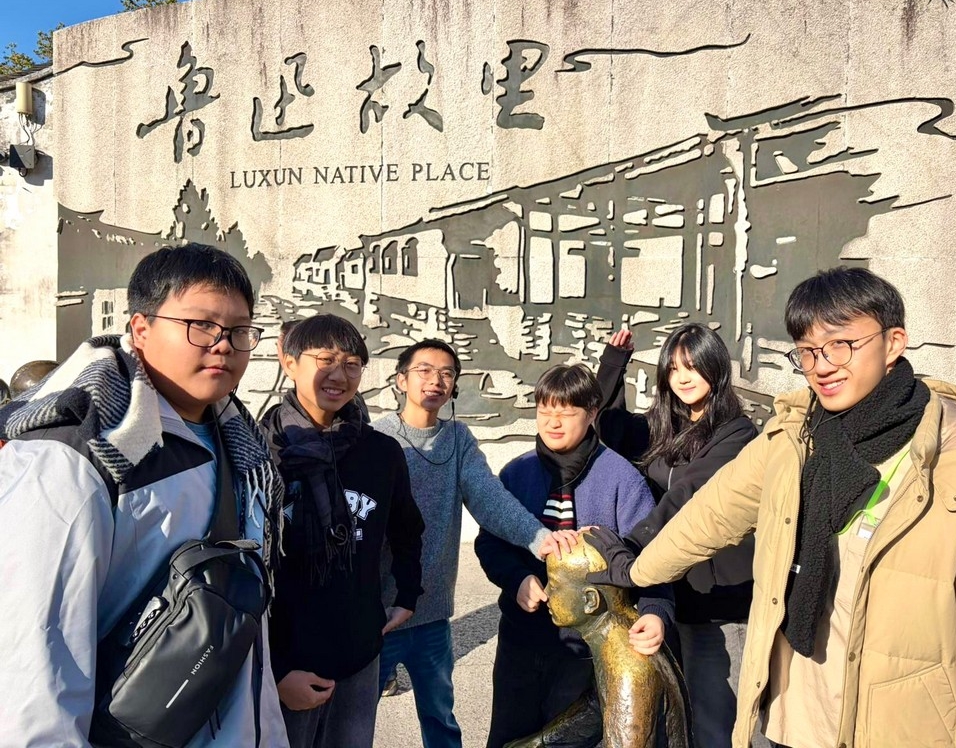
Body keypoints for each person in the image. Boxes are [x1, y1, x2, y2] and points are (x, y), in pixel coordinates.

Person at [586, 266, 956, 748]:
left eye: (841, 345)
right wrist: (635, 568)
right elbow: (710, 513)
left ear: (893, 342)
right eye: (808, 351)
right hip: (797, 717)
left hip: (901, 726)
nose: (822, 365)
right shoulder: (795, 437)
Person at [0, 243, 289, 745]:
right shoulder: (76, 454)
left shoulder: (245, 449)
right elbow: (35, 659)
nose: (223, 345)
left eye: (239, 330)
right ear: (140, 329)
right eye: (201, 325)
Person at [372, 338, 572, 748]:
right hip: (377, 612)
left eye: (447, 374)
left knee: (440, 718)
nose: (436, 380)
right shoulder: (376, 439)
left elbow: (489, 498)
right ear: (401, 380)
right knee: (354, 719)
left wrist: (539, 539)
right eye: (424, 370)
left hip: (432, 615)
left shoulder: (458, 439)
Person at [476, 363, 674, 748]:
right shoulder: (517, 473)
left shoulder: (621, 478)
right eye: (544, 411)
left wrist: (656, 611)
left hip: (586, 649)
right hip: (521, 637)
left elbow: (653, 559)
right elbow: (489, 542)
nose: (553, 423)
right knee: (508, 736)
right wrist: (518, 580)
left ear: (592, 413)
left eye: (566, 413)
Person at [261, 313, 424, 748]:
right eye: (325, 360)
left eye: (352, 364)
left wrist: (407, 594)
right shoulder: (262, 451)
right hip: (284, 658)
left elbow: (407, 528)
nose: (339, 375)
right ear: (290, 362)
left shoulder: (381, 452)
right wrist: (276, 669)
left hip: (358, 654)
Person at [597, 325, 759, 748]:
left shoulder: (737, 434)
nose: (683, 377)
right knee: (673, 718)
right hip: (666, 594)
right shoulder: (664, 427)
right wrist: (613, 365)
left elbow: (688, 495)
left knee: (716, 723)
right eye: (673, 369)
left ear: (715, 368)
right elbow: (606, 428)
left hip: (716, 602)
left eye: (692, 366)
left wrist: (631, 546)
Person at [507, 537, 692, 748]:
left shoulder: (627, 670)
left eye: (555, 586)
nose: (546, 593)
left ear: (590, 600)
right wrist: (538, 742)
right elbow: (595, 709)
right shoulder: (611, 638)